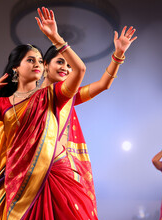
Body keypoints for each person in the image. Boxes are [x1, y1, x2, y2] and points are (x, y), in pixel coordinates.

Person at [0, 7, 108, 220]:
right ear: (16, 68)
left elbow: (80, 70)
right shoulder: (3, 105)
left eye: (40, 60)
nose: (37, 63)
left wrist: (56, 38)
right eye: (31, 60)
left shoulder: (52, 94)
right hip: (19, 181)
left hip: (54, 174)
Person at [40, 23, 136, 207]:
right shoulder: (29, 99)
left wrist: (118, 55)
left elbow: (103, 84)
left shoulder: (68, 96)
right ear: (45, 64)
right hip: (35, 170)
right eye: (60, 62)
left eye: (69, 65)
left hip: (62, 171)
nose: (65, 69)